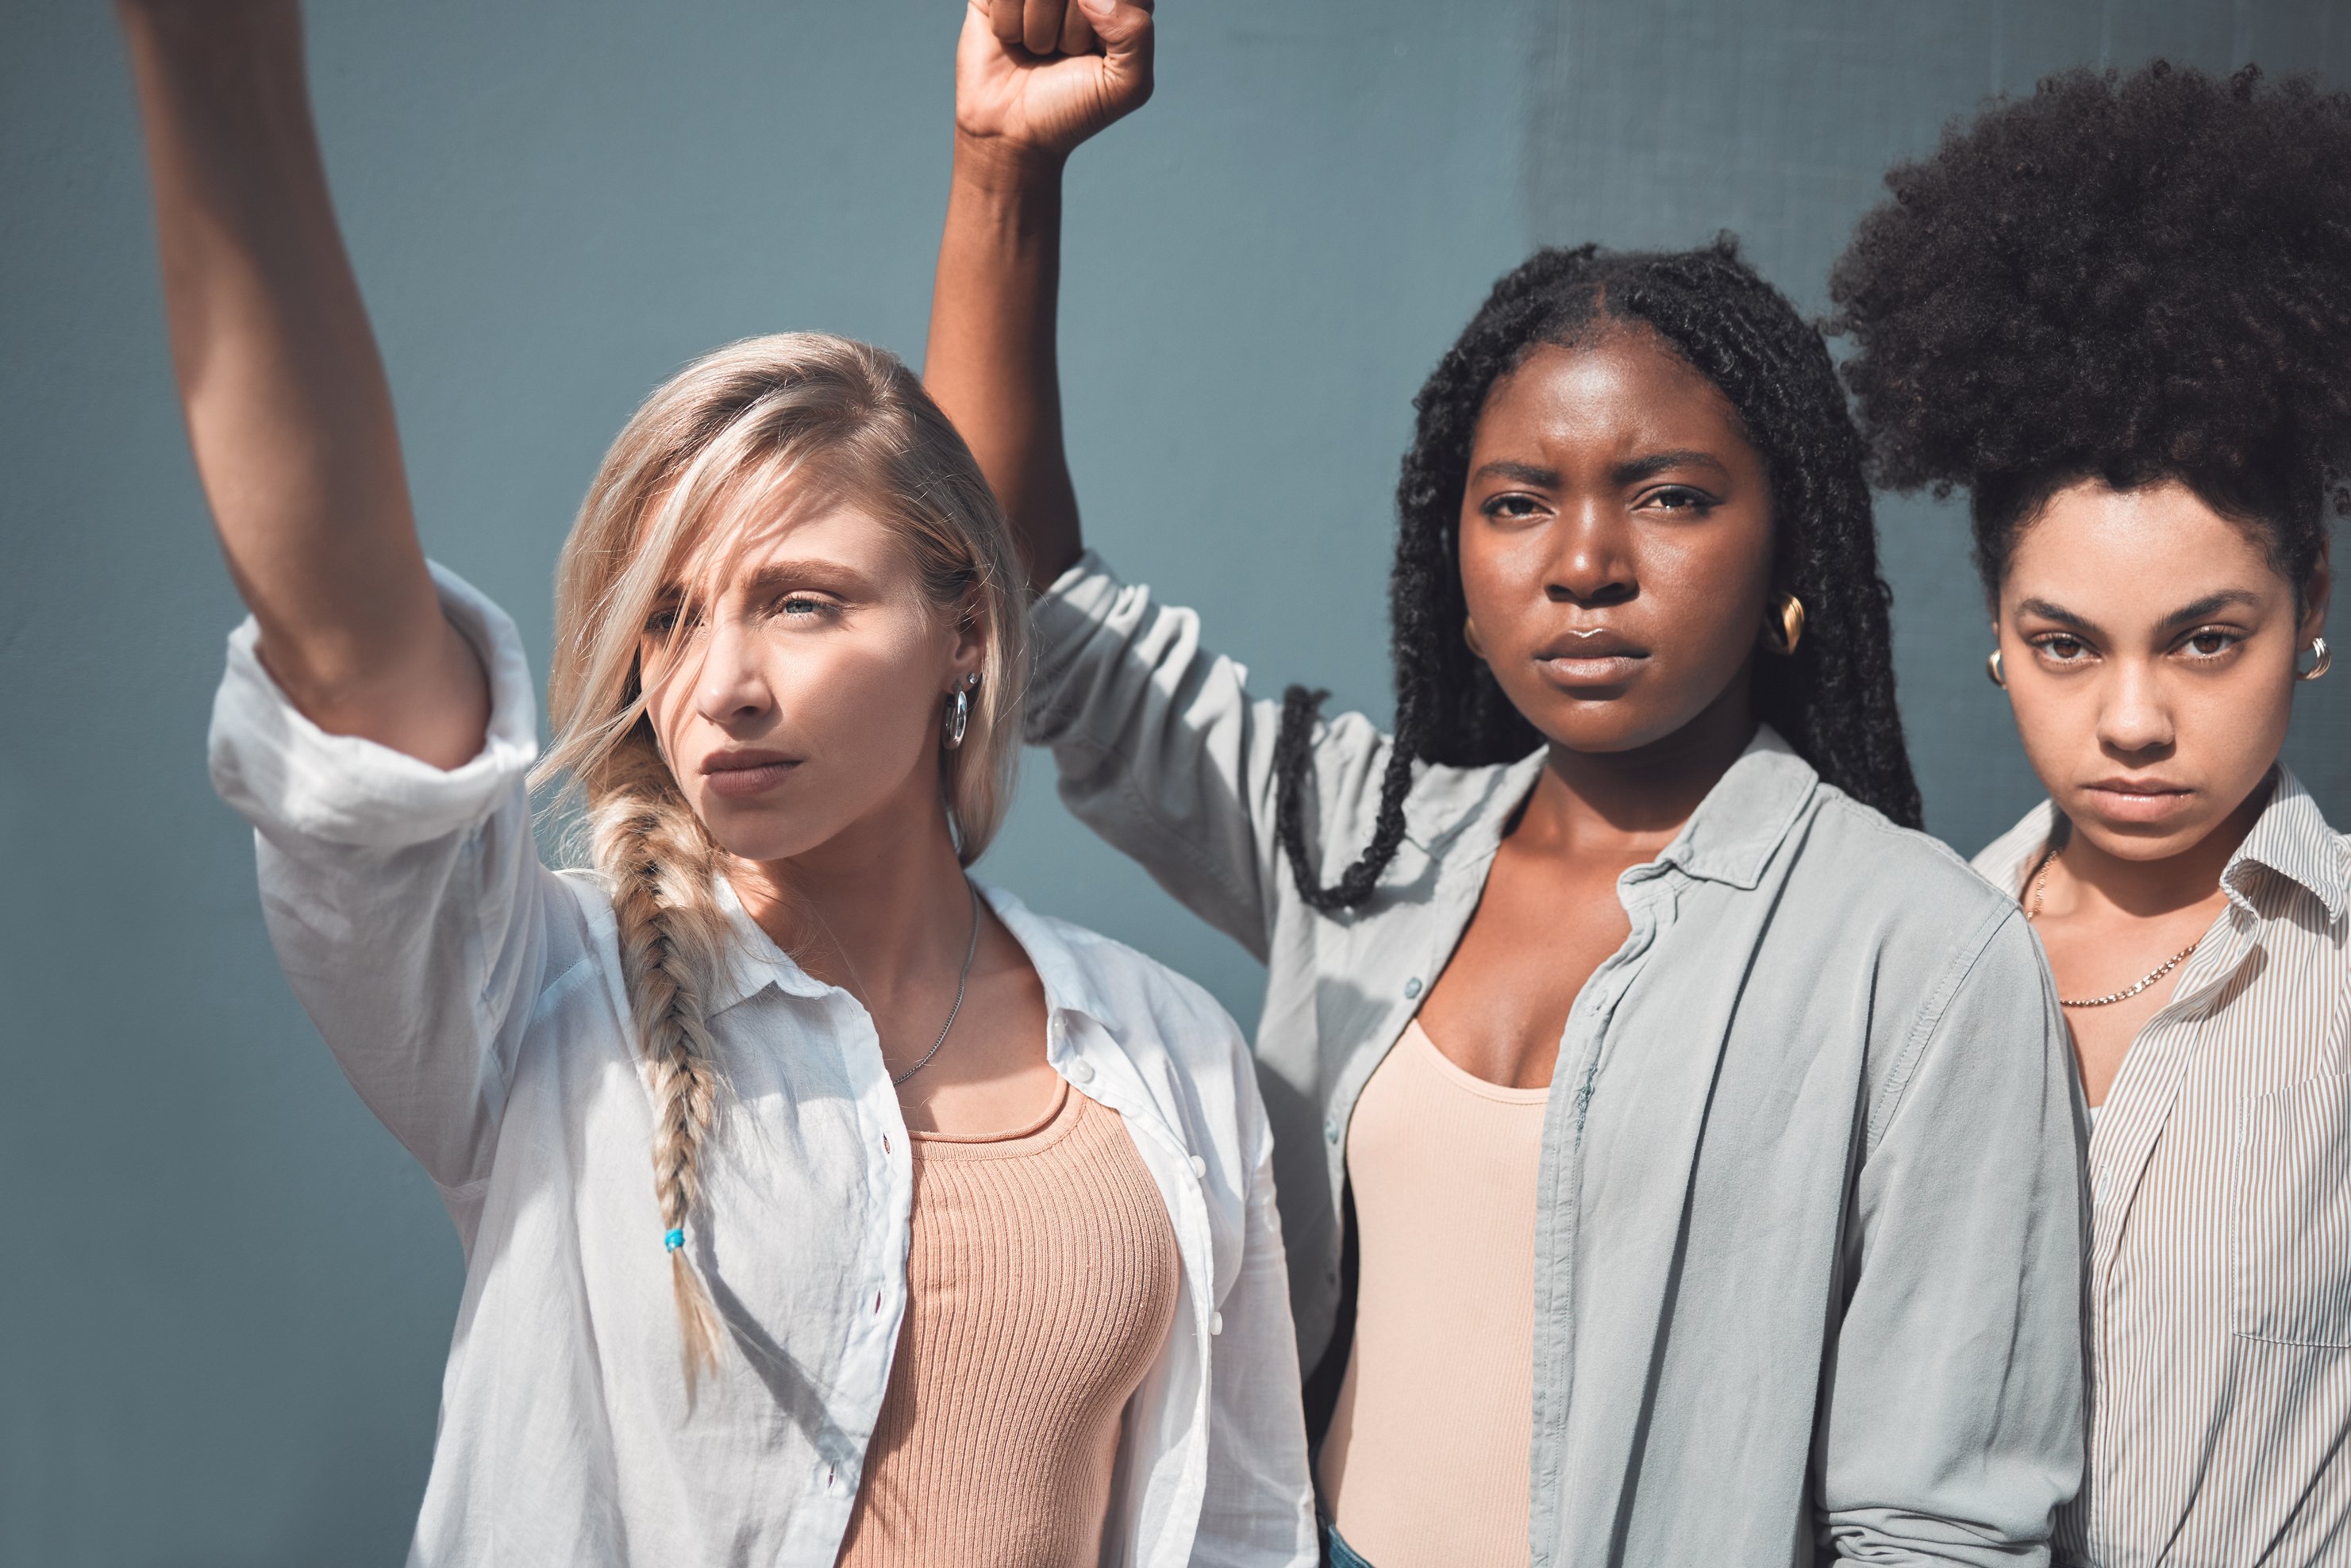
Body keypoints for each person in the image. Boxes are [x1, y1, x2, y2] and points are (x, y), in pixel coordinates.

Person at [117, 2, 1315, 1562]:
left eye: (799, 599)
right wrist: (215, 73)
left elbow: (1243, 1526)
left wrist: (999, 170)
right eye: (666, 619)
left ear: (966, 621)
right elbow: (344, 654)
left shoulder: (1166, 1057)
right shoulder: (549, 1002)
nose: (719, 683)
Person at [925, 2, 2087, 1562]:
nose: (1586, 565)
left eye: (1667, 497)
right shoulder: (1361, 845)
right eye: (1517, 502)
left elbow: (1940, 1529)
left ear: (1785, 547)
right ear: (1453, 563)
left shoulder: (1921, 957)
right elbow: (1028, 607)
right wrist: (1003, 168)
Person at [1832, 60, 2351, 1567]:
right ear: (1994, 628)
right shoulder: (1897, 971)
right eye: (2065, 644)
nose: (2130, 720)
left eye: (2204, 639)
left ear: (2308, 612)